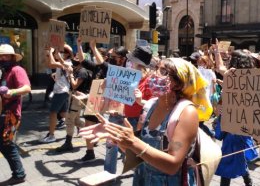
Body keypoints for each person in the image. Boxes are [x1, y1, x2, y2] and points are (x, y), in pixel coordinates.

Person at [80, 58, 211, 185]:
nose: (155, 75)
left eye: (164, 72)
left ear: (178, 83)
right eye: (156, 69)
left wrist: (133, 141)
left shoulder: (186, 112)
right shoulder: (150, 105)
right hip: (142, 178)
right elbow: (138, 155)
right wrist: (117, 137)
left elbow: (172, 165)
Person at [213, 48, 255, 186]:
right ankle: (248, 182)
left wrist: (216, 52)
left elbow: (219, 67)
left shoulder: (232, 75)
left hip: (232, 123)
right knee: (238, 155)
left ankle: (240, 182)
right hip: (244, 123)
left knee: (229, 157)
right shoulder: (255, 78)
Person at [0, 44, 31, 185]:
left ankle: (19, 174)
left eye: (5, 55)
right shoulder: (4, 71)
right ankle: (18, 173)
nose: (2, 58)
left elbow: (27, 88)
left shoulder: (17, 70)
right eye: (0, 56)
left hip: (11, 113)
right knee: (4, 144)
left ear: (12, 57)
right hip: (3, 112)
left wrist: (11, 92)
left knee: (7, 144)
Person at [55, 55, 92, 153]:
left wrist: (71, 74)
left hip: (77, 98)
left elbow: (75, 85)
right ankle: (92, 134)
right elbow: (64, 64)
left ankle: (68, 142)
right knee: (76, 120)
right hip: (75, 97)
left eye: (77, 58)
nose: (74, 60)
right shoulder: (78, 69)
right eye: (74, 58)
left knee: (69, 119)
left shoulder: (82, 72)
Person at [40, 45, 73, 143]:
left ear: (66, 54)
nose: (57, 54)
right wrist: (48, 54)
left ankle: (51, 135)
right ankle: (80, 124)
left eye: (61, 52)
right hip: (60, 90)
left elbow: (52, 63)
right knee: (63, 113)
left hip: (61, 91)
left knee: (53, 113)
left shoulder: (67, 63)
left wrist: (51, 52)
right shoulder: (62, 62)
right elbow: (49, 64)